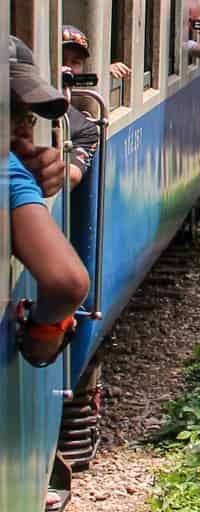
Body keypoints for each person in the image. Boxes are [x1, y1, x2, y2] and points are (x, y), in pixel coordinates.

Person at [9, 41, 89, 368]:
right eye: (15, 113)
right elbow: (69, 283)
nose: (27, 130)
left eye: (29, 117)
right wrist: (43, 333)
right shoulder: (8, 172)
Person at [57, 26, 125, 189]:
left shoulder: (85, 128)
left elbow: (72, 176)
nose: (67, 68)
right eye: (60, 59)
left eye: (75, 62)